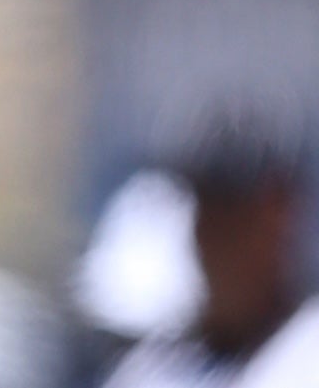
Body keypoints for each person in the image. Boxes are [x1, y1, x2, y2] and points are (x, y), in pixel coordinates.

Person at [102, 119, 319, 388]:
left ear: (281, 216)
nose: (217, 242)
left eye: (236, 219)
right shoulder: (152, 367)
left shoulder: (309, 352)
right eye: (207, 215)